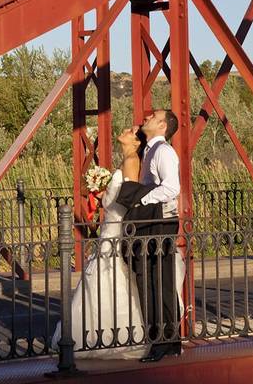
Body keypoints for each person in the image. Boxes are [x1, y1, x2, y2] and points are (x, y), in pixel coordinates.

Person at [51, 128, 148, 359]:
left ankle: (112, 336)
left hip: (116, 228)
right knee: (102, 278)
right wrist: (104, 192)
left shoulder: (132, 161)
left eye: (131, 131)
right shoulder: (126, 160)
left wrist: (109, 197)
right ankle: (98, 333)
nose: (125, 130)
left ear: (136, 142)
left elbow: (130, 200)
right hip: (109, 227)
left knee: (111, 277)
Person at [113, 109, 183, 363]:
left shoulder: (163, 151)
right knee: (155, 280)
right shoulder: (150, 150)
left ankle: (161, 342)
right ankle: (170, 340)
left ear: (163, 125)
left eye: (153, 116)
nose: (147, 117)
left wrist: (142, 199)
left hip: (159, 222)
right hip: (154, 221)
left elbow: (172, 187)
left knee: (154, 281)